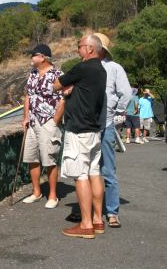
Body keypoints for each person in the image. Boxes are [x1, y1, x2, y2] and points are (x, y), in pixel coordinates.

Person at [53, 34, 106, 239]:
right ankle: (98, 220)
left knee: (80, 176)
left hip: (78, 130)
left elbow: (56, 84)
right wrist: (73, 91)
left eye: (79, 46)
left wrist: (67, 91)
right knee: (94, 173)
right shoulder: (101, 70)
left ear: (90, 49)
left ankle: (85, 225)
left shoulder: (83, 68)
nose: (78, 50)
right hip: (93, 130)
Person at [93, 33, 131, 228]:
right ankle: (93, 211)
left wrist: (116, 111)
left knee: (107, 169)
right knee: (89, 170)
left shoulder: (114, 68)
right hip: (88, 125)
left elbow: (126, 93)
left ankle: (112, 211)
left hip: (106, 123)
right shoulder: (89, 67)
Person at [22, 44, 65, 209]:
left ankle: (53, 195)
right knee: (31, 158)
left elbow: (63, 99)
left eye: (33, 55)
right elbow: (28, 96)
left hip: (48, 122)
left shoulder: (57, 75)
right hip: (32, 122)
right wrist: (26, 117)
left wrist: (55, 121)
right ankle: (36, 192)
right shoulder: (32, 74)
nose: (31, 58)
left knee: (50, 160)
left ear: (43, 57)